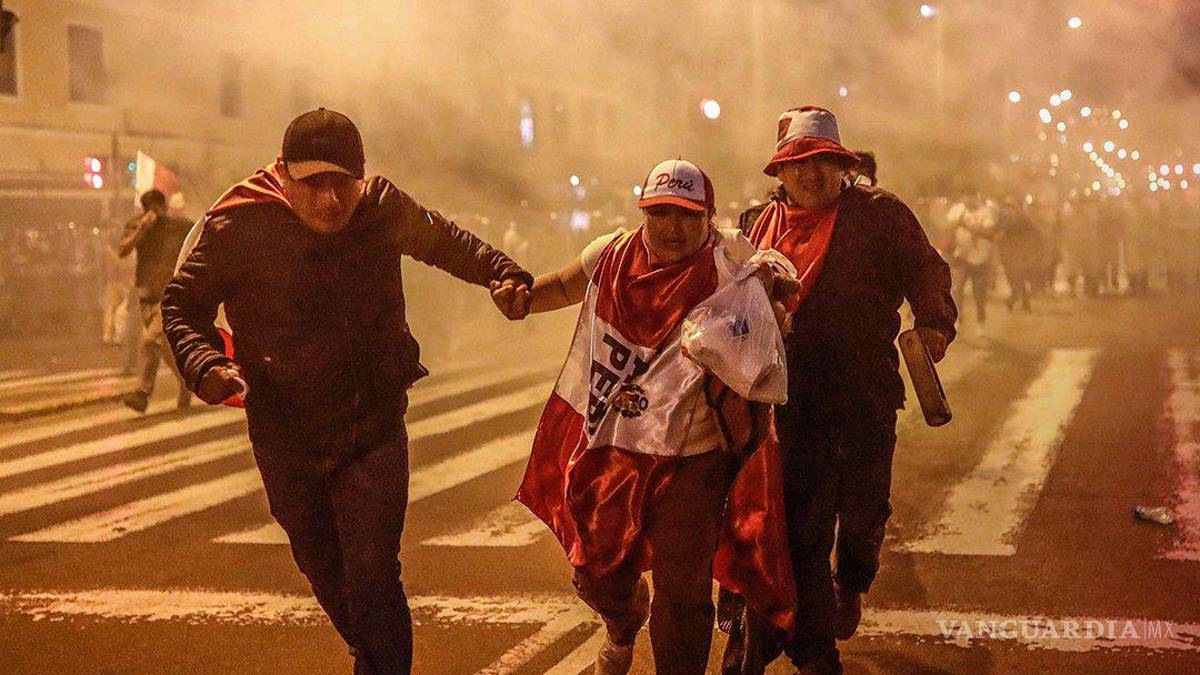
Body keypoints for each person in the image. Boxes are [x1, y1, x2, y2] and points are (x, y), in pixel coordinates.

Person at [161, 108, 533, 675]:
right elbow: (182, 306)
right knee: (321, 567)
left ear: (361, 178)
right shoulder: (240, 222)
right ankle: (373, 654)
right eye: (315, 184)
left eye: (343, 183)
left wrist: (503, 273)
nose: (331, 200)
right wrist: (204, 363)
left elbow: (446, 241)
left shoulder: (381, 206)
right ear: (285, 176)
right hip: (284, 432)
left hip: (371, 425)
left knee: (374, 573)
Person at [517, 159, 797, 675]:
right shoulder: (610, 254)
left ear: (709, 218)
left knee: (683, 588)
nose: (673, 227)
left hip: (694, 457)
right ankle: (623, 623)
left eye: (688, 214)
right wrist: (521, 299)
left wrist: (772, 302)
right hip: (612, 449)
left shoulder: (733, 264)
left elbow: (774, 305)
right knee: (597, 574)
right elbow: (559, 286)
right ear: (642, 213)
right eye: (660, 213)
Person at [723, 107, 957, 675]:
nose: (812, 174)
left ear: (842, 165)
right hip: (787, 404)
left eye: (824, 161)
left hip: (863, 396)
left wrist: (934, 325)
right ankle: (806, 642)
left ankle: (851, 581)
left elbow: (927, 272)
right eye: (798, 163)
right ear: (780, 171)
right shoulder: (753, 225)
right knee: (799, 527)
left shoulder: (880, 215)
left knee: (862, 512)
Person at [117, 189, 195, 411]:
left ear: (164, 207)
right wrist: (141, 230)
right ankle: (186, 383)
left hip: (171, 296)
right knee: (165, 350)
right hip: (147, 297)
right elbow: (122, 250)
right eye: (148, 209)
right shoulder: (137, 225)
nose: (153, 214)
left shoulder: (179, 226)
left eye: (156, 208)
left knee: (150, 340)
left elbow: (200, 238)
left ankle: (142, 393)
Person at [946, 191, 996, 335]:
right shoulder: (957, 210)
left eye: (971, 197)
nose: (968, 200)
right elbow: (948, 228)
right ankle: (958, 319)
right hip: (961, 257)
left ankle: (981, 321)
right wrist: (956, 224)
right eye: (966, 197)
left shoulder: (984, 212)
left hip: (980, 258)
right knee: (957, 289)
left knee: (979, 293)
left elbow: (990, 231)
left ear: (976, 197)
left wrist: (969, 226)